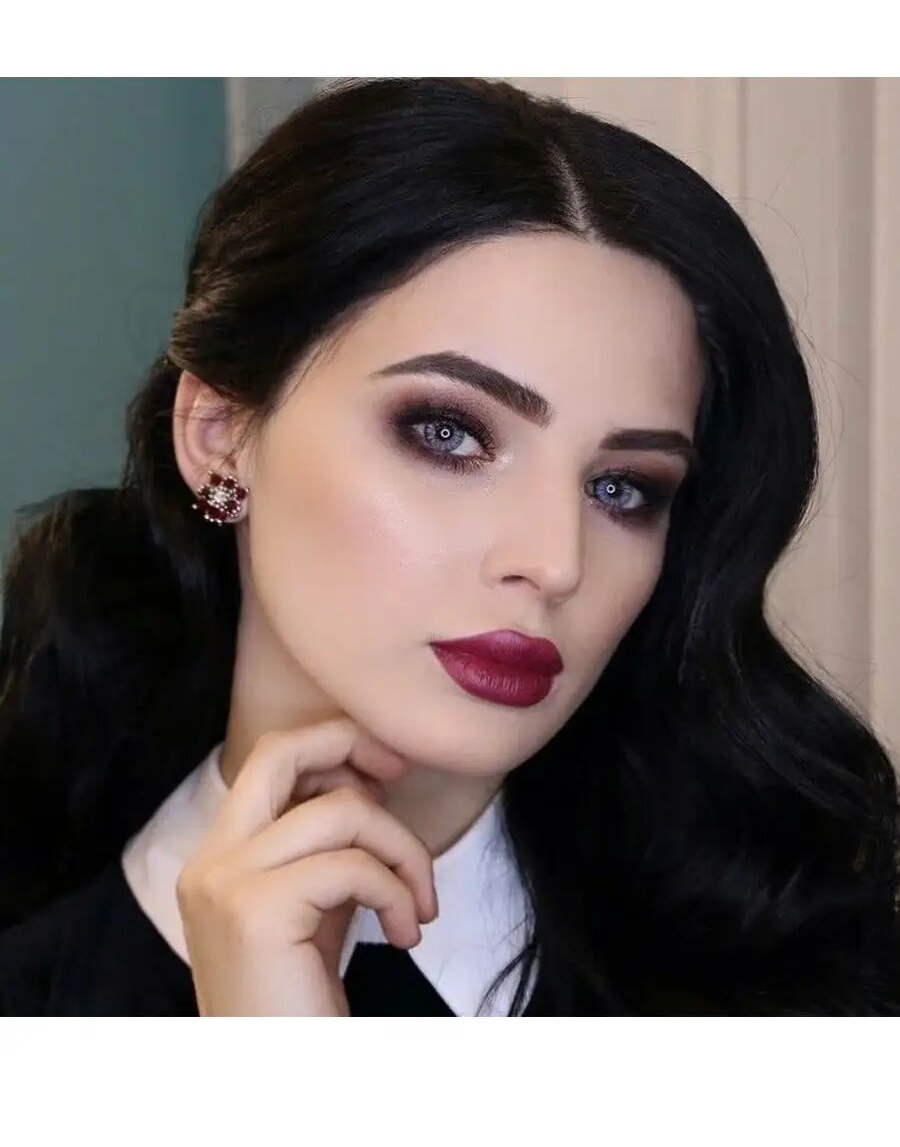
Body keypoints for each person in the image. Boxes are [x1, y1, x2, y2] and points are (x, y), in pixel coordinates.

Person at [1, 76, 899, 1017]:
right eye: (448, 433)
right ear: (220, 434)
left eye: (622, 487)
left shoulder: (801, 974)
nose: (554, 562)